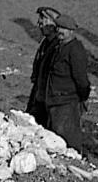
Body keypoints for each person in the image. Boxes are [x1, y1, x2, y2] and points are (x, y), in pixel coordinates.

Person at [28, 12, 93, 151]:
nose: (59, 31)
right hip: (54, 100)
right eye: (58, 28)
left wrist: (83, 97)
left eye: (63, 29)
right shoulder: (58, 46)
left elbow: (81, 79)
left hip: (66, 102)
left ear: (71, 31)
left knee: (67, 140)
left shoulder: (75, 50)